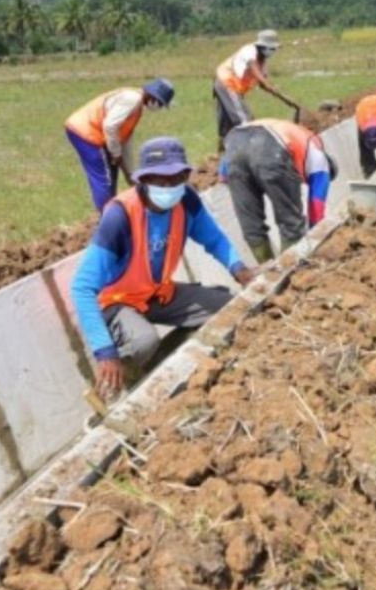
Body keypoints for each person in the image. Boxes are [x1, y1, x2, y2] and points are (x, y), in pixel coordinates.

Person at [71, 137, 254, 397]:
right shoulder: (120, 216)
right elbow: (82, 287)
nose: (168, 186)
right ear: (143, 181)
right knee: (143, 342)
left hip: (156, 293)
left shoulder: (186, 201)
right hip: (117, 302)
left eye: (176, 178)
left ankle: (168, 366)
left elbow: (213, 239)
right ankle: (123, 386)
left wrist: (240, 270)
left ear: (185, 176)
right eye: (159, 179)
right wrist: (104, 351)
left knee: (228, 307)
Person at [223, 118, 336, 263]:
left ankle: (268, 272)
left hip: (234, 143)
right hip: (270, 145)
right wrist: (316, 242)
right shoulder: (321, 164)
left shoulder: (303, 143)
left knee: (251, 226)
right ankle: (290, 270)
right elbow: (316, 209)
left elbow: (223, 174)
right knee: (291, 223)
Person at [65, 79, 174, 211]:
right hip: (87, 132)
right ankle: (107, 218)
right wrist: (116, 153)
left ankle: (109, 213)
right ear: (154, 98)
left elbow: (125, 139)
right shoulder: (132, 99)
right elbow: (110, 126)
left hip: (86, 131)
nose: (159, 107)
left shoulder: (136, 107)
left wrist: (130, 174)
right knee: (105, 178)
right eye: (161, 104)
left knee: (110, 172)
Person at [213, 29, 303, 150]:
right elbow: (261, 80)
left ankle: (223, 153)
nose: (273, 52)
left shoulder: (262, 61)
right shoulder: (249, 52)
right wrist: (287, 99)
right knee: (245, 120)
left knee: (227, 125)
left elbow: (265, 84)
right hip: (227, 83)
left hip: (232, 87)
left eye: (274, 49)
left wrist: (287, 101)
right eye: (271, 49)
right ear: (262, 46)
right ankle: (250, 150)